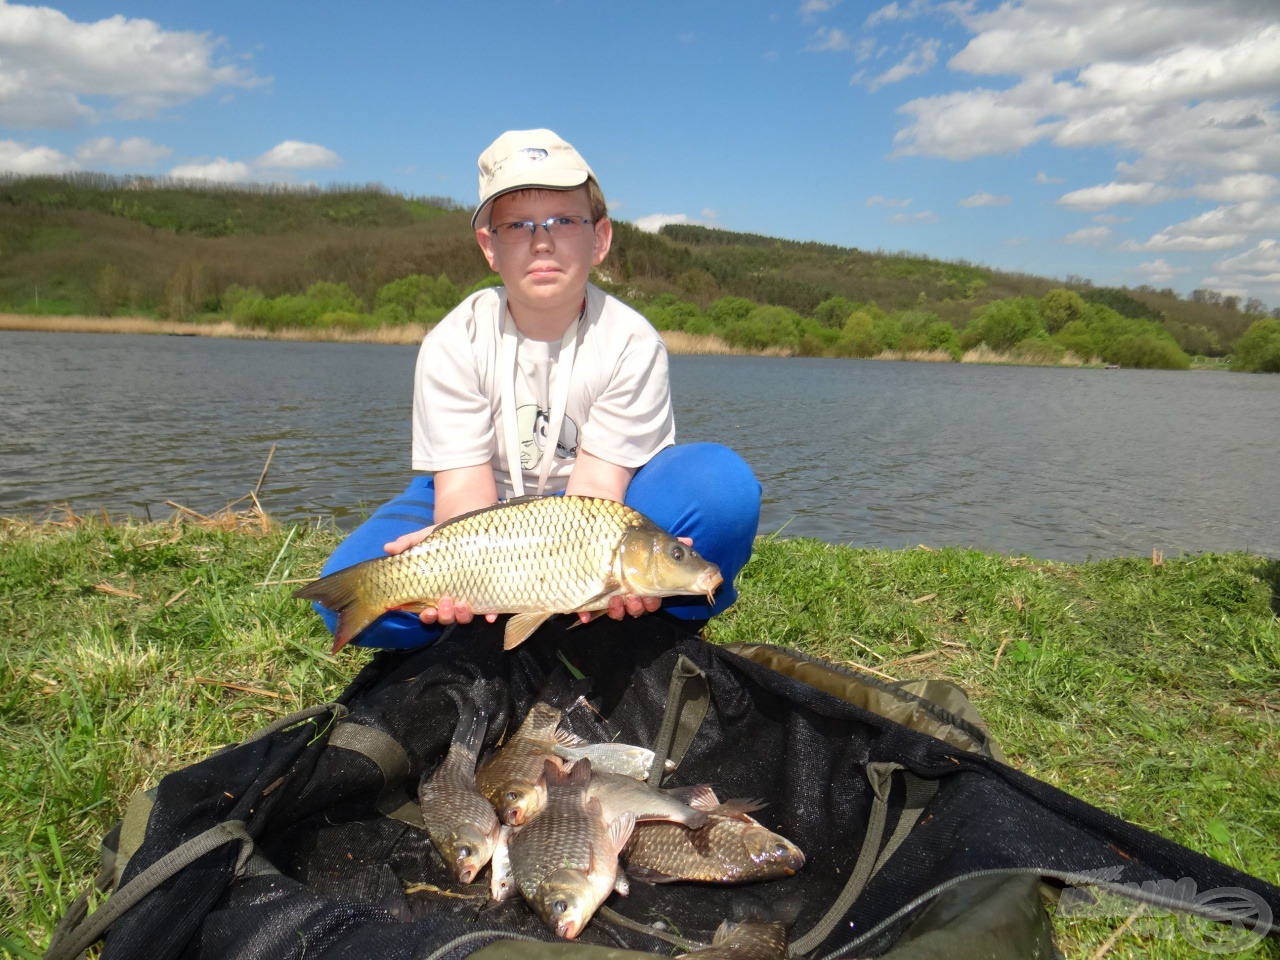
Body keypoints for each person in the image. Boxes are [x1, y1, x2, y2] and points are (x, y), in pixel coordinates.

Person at [315, 129, 761, 649]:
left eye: (565, 221)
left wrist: (590, 578)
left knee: (721, 492)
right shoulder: (453, 341)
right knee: (360, 587)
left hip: (594, 519)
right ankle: (495, 616)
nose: (542, 241)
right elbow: (462, 492)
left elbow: (599, 492)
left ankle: (638, 627)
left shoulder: (632, 342)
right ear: (489, 246)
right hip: (478, 511)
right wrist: (449, 555)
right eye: (517, 226)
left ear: (600, 239)